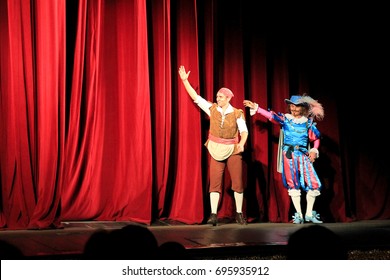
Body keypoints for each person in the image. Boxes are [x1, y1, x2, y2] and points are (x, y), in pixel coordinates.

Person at [178, 65, 249, 226]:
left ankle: (239, 214)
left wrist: (241, 144)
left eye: (221, 97)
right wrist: (185, 81)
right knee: (215, 182)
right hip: (216, 148)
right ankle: (213, 214)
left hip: (233, 149)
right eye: (217, 96)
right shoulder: (212, 109)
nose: (218, 99)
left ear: (228, 98)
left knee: (237, 182)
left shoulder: (237, 113)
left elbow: (244, 132)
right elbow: (196, 98)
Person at [243, 94, 324, 224]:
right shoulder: (286, 119)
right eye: (292, 106)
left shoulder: (307, 123)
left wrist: (314, 150)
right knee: (293, 183)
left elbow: (316, 138)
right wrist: (257, 108)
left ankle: (309, 213)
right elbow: (271, 116)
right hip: (290, 155)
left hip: (303, 155)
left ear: (302, 108)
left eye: (296, 106)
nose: (293, 109)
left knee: (313, 183)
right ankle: (298, 214)